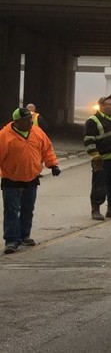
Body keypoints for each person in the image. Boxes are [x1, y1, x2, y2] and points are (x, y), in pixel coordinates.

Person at [1, 107, 60, 254]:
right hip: (11, 180)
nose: (30, 122)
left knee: (28, 210)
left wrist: (53, 165)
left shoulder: (37, 132)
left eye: (30, 119)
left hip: (31, 178)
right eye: (26, 120)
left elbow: (47, 149)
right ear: (17, 122)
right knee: (12, 211)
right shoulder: (4, 136)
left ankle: (24, 235)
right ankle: (11, 240)